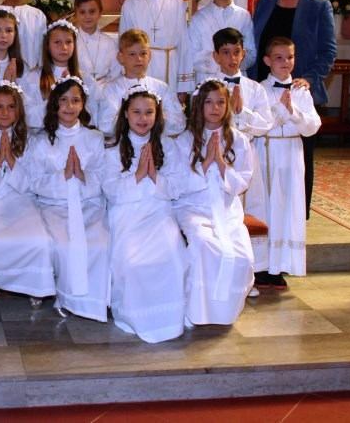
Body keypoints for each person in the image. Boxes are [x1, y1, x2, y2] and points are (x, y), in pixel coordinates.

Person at [250, 0, 336, 215]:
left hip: (298, 88)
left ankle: (298, 214)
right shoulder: (264, 4)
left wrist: (308, 79)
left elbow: (328, 52)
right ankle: (263, 211)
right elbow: (255, 45)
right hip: (264, 89)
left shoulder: (319, 7)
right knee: (261, 151)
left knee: (301, 155)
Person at [101, 84, 187, 343]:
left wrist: (155, 177)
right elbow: (111, 190)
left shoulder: (168, 147)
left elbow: (177, 187)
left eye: (149, 112)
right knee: (131, 261)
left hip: (159, 211)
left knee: (173, 257)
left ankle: (169, 318)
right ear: (125, 114)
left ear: (157, 115)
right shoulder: (113, 148)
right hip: (126, 214)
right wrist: (138, 175)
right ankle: (135, 316)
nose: (142, 118)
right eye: (136, 112)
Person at [0, 81, 55, 311]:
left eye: (11, 107)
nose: (5, 113)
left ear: (19, 110)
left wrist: (12, 162)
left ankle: (34, 286)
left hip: (20, 199)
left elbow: (31, 183)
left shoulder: (30, 139)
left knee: (38, 240)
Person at [172, 79, 255, 327]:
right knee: (203, 245)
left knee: (242, 256)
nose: (215, 108)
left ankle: (224, 311)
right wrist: (206, 163)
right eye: (208, 102)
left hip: (227, 209)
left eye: (220, 102)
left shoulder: (239, 140)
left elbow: (242, 182)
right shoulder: (184, 140)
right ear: (199, 106)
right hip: (193, 207)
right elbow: (177, 183)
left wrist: (221, 164)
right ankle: (197, 311)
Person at [29, 76, 109, 321]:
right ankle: (66, 297)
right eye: (63, 100)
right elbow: (34, 181)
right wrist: (63, 177)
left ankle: (93, 301)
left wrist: (83, 176)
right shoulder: (41, 141)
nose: (69, 106)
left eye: (75, 100)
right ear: (54, 104)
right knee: (64, 245)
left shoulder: (94, 138)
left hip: (88, 204)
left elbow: (102, 175)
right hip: (55, 205)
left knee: (99, 244)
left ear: (83, 104)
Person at [254, 37, 321, 290]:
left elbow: (312, 127)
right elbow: (258, 124)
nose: (285, 62)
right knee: (267, 206)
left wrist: (293, 112)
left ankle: (281, 264)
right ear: (267, 60)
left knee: (288, 207)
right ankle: (262, 266)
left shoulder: (301, 91)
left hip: (292, 153)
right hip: (267, 152)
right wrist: (280, 113)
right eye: (279, 58)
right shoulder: (259, 89)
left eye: (290, 57)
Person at [210, 28, 273, 292]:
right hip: (216, 156)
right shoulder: (208, 87)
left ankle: (250, 276)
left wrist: (242, 111)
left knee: (251, 210)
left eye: (236, 52)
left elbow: (266, 123)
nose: (232, 58)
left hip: (247, 157)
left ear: (244, 54)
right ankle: (219, 270)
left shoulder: (254, 88)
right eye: (225, 53)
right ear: (215, 56)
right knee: (222, 212)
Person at [119, 0, 192, 95]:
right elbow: (123, 43)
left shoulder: (177, 4)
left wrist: (183, 87)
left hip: (170, 68)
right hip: (140, 67)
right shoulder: (131, 4)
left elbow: (184, 44)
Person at [97, 30, 184, 138]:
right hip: (123, 143)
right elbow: (106, 126)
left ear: (149, 56)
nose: (138, 59)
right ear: (121, 57)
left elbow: (178, 123)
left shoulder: (161, 87)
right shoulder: (111, 89)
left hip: (156, 142)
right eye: (132, 54)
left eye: (143, 53)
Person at [186, 0, 256, 84]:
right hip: (208, 81)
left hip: (237, 81)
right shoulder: (199, 18)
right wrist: (221, 63)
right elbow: (192, 55)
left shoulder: (244, 16)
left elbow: (251, 53)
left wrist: (233, 63)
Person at [35, 19, 99, 128]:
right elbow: (29, 116)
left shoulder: (86, 79)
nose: (64, 47)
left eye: (68, 42)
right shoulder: (33, 77)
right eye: (57, 42)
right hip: (44, 134)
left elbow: (93, 115)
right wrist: (57, 95)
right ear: (47, 45)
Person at [73, 0, 119, 85]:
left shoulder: (109, 43)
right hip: (78, 88)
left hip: (105, 88)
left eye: (92, 11)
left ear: (100, 13)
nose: (87, 16)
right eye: (82, 12)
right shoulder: (72, 42)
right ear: (76, 15)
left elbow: (116, 71)